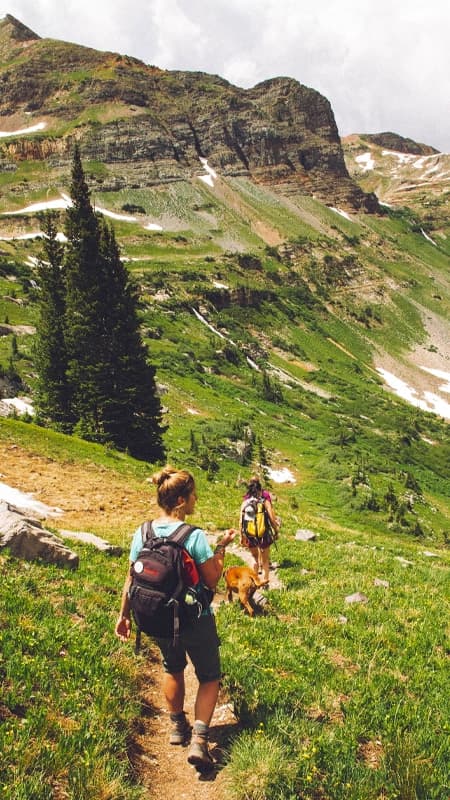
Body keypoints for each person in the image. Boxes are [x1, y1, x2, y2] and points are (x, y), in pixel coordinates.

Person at [115, 465, 236, 772]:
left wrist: (123, 615)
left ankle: (176, 727)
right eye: (193, 494)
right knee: (209, 676)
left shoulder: (142, 532)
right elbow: (211, 580)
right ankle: (199, 739)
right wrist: (221, 547)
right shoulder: (192, 536)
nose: (196, 499)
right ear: (182, 500)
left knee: (172, 667)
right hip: (194, 618)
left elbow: (131, 577)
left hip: (156, 617)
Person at [239, 477, 279, 586]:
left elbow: (241, 521)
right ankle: (265, 582)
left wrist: (242, 537)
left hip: (250, 534)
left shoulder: (246, 502)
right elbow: (271, 517)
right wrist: (276, 530)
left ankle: (254, 583)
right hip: (263, 534)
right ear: (260, 489)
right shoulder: (264, 500)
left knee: (254, 558)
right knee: (265, 560)